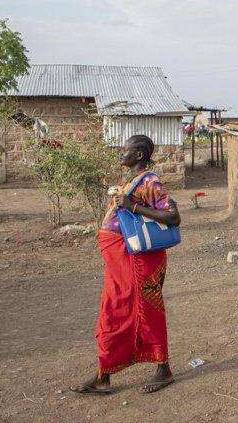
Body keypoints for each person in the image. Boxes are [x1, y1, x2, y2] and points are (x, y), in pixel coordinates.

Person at [71, 135, 182, 395]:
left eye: (125, 149)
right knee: (114, 313)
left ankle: (163, 370)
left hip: (139, 262)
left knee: (144, 311)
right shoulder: (131, 181)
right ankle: (103, 375)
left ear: (140, 155)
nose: (120, 153)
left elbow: (173, 217)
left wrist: (134, 207)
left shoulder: (150, 181)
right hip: (121, 263)